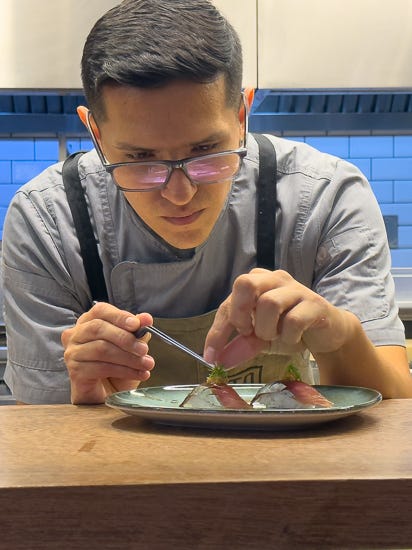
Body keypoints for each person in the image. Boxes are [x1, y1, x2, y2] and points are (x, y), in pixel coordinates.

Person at [1, 0, 411, 405]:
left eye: (206, 151)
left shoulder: (324, 197)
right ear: (96, 133)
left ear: (241, 116)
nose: (179, 194)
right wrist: (84, 401)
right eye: (141, 160)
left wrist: (341, 338)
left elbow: (396, 409)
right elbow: (44, 440)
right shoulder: (48, 222)